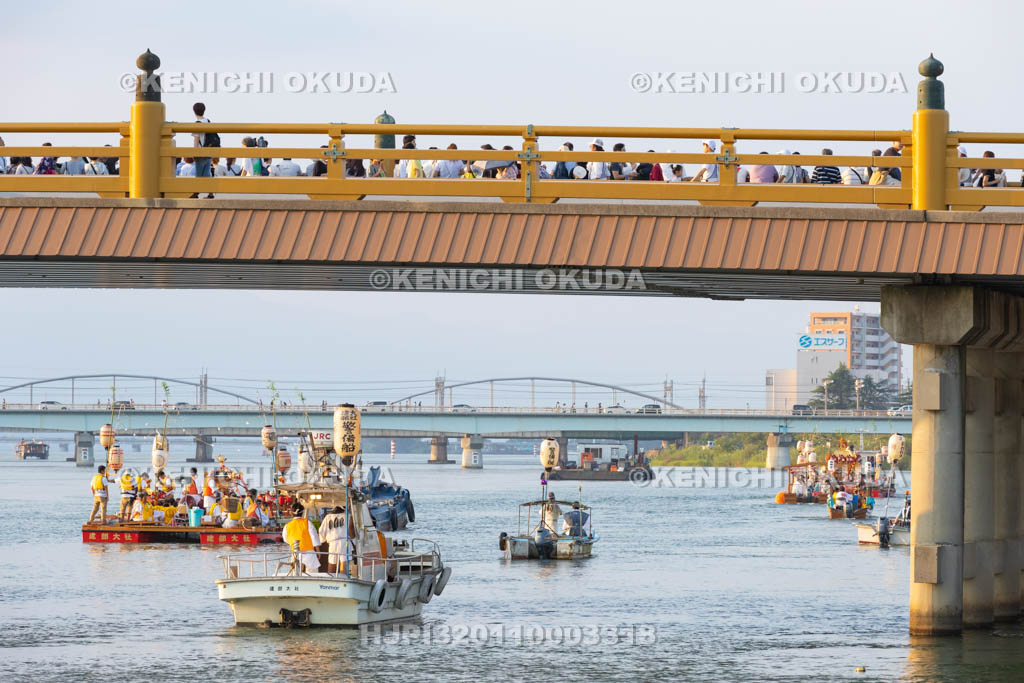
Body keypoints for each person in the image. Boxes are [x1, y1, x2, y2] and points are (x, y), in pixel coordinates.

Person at [283, 503, 323, 574]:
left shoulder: (287, 526)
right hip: (309, 552)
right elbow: (314, 537)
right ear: (303, 512)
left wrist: (293, 543)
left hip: (295, 552)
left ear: (291, 513)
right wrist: (317, 550)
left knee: (296, 573)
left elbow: (286, 539)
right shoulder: (307, 523)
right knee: (312, 573)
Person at [320, 506, 350, 573]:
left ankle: (331, 577)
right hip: (345, 542)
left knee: (332, 562)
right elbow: (350, 528)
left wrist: (322, 540)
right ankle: (344, 577)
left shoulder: (327, 517)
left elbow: (321, 531)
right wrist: (354, 541)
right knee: (344, 562)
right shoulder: (347, 516)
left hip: (333, 543)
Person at [191, 102, 212, 183]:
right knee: (207, 174)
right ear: (204, 110)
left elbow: (196, 139)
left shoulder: (197, 123)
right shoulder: (208, 121)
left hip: (200, 152)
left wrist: (194, 153)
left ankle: (197, 190)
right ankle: (209, 190)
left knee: (198, 175)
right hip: (209, 150)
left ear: (194, 111)